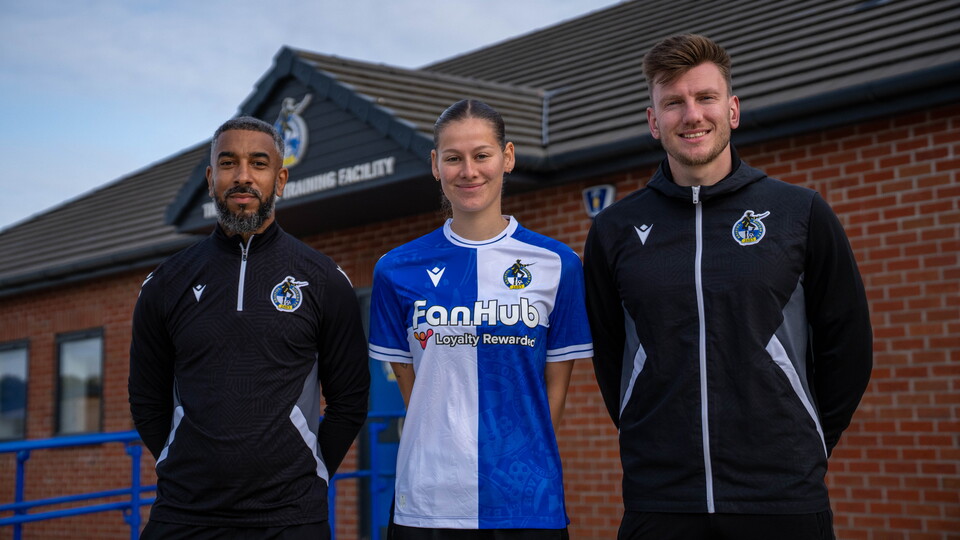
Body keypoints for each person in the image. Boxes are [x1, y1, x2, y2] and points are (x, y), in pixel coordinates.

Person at [583, 34, 873, 539]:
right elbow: (611, 358)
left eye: (705, 98)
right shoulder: (614, 230)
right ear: (654, 121)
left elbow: (848, 346)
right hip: (661, 500)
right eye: (673, 103)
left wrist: (804, 443)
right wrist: (647, 432)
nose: (691, 115)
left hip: (783, 499)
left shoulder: (798, 213)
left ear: (732, 110)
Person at [128, 116, 370, 539]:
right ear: (210, 178)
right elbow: (146, 400)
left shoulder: (324, 279)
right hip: (183, 516)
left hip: (291, 519)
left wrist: (309, 470)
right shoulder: (166, 283)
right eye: (228, 163)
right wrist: (181, 458)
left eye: (258, 164)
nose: (243, 177)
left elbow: (350, 400)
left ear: (280, 179)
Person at [368, 99, 593, 539]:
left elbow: (556, 391)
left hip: (526, 501)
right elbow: (415, 390)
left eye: (481, 155)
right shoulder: (395, 269)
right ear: (436, 165)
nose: (468, 171)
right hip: (428, 501)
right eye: (453, 158)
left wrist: (514, 461)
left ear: (506, 157)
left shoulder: (557, 264)